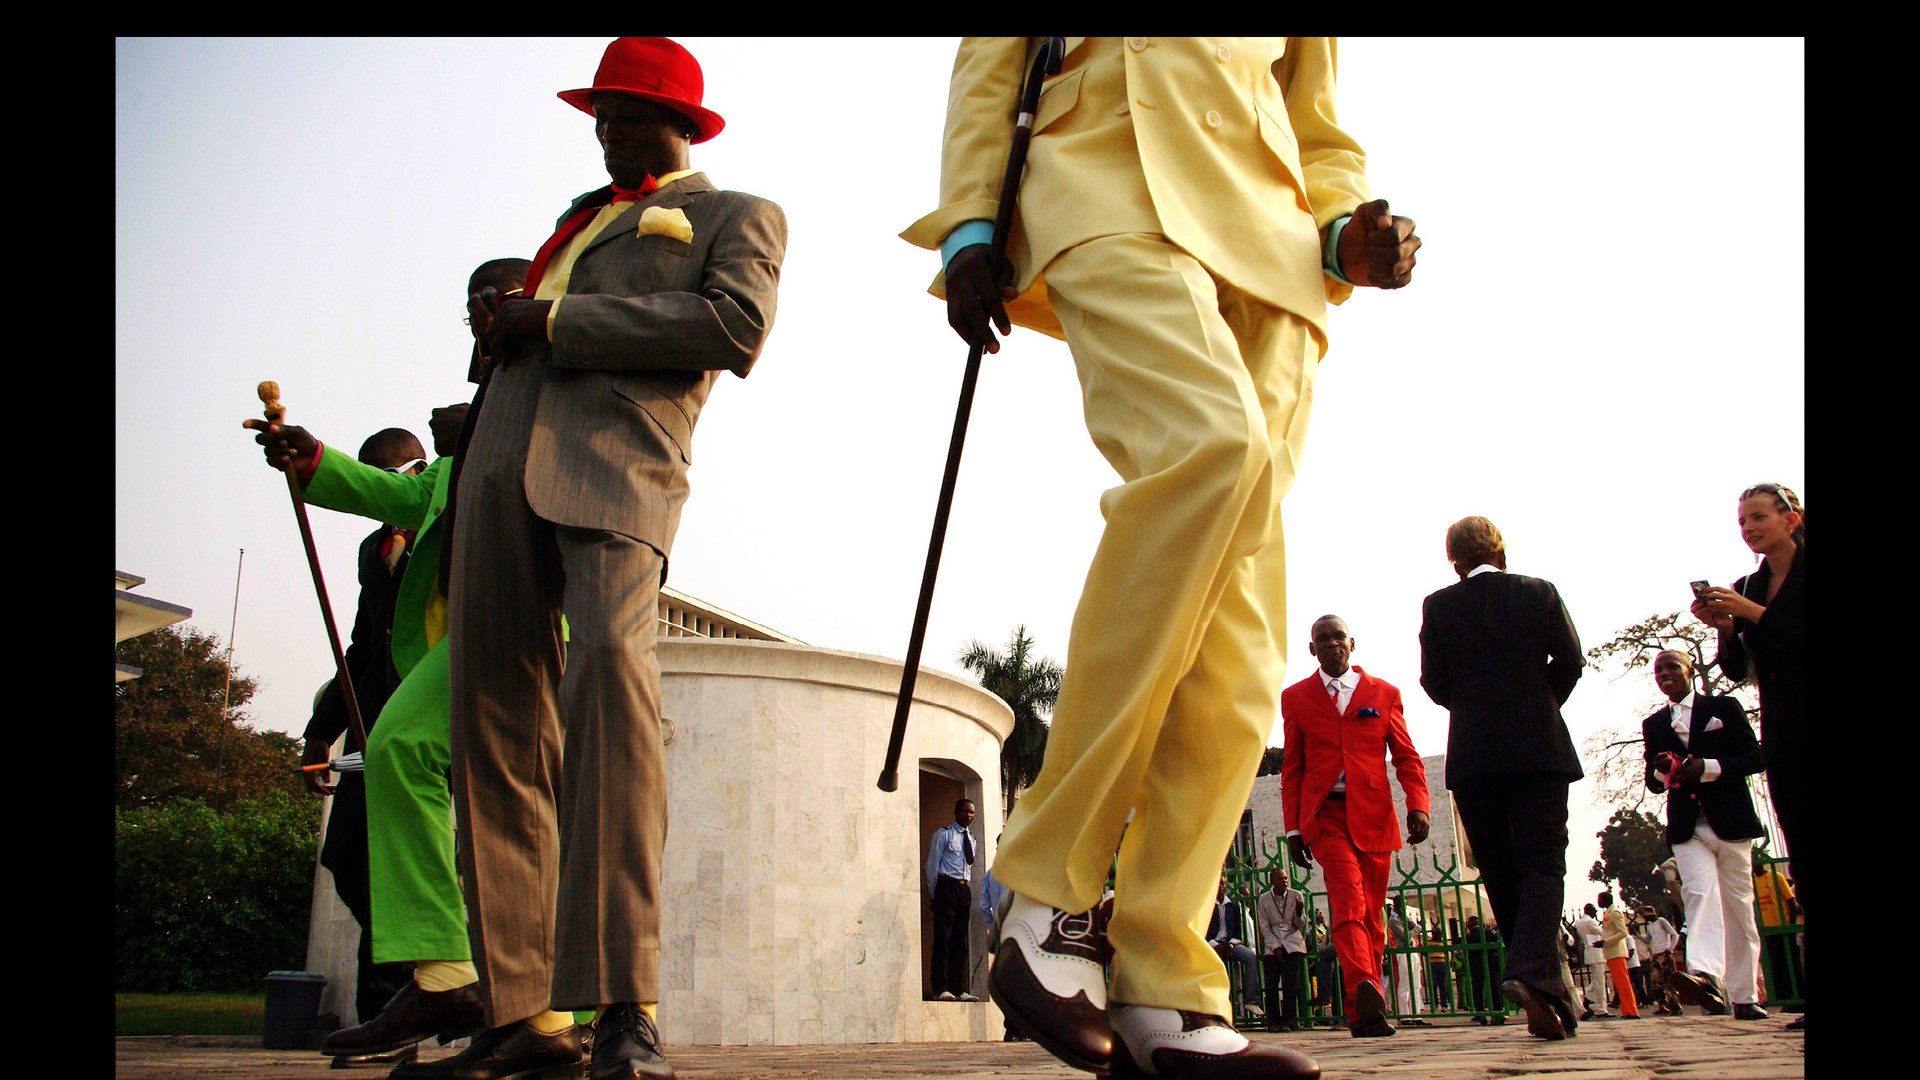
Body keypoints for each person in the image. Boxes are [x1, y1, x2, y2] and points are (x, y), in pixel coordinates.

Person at [905, 36, 1418, 1080]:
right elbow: (989, 63)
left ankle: (1165, 980)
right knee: (1208, 447)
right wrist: (968, 223)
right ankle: (1047, 884)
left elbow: (1318, 120)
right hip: (1104, 171)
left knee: (1240, 637)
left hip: (1275, 248)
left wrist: (1343, 231)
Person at [446, 36, 787, 1080]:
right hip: (498, 462)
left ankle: (621, 1005)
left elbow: (733, 324)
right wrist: (508, 327)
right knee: (492, 722)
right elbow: (532, 337)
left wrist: (553, 319)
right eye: (599, 113)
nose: (607, 131)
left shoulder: (735, 214)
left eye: (629, 113)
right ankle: (519, 1016)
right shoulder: (573, 221)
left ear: (682, 121)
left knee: (609, 683)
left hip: (618, 469)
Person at [244, 263, 532, 1067]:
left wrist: (481, 419)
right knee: (430, 774)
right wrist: (313, 463)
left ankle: (527, 1010)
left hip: (540, 625)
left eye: (492, 299)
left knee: (519, 823)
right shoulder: (450, 465)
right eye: (470, 306)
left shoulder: (546, 379)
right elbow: (401, 496)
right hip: (471, 642)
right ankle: (476, 992)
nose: (477, 319)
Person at [1419, 516, 1585, 1041]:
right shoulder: (1539, 593)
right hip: (1538, 748)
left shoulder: (1439, 606)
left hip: (1474, 753)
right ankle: (1534, 974)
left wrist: (1473, 708)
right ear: (1501, 550)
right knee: (1542, 864)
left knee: (1499, 870)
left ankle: (1542, 990)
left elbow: (1434, 680)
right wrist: (1540, 701)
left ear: (1454, 559)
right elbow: (1572, 659)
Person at [302, 428, 426, 1067]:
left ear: (420, 470)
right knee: (349, 856)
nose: (383, 495)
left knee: (423, 863)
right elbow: (361, 645)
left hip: (438, 719)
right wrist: (323, 730)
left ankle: (410, 1004)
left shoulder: (450, 520)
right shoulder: (372, 548)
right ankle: (403, 1000)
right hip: (376, 722)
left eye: (392, 478)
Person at [1279, 614, 1429, 1038]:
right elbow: (1293, 769)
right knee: (1347, 900)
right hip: (1325, 816)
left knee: (1373, 914)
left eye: (1338, 636)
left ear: (1352, 643)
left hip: (1374, 815)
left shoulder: (1384, 694)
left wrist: (1418, 803)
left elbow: (1406, 757)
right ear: (1312, 649)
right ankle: (1365, 982)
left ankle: (1364, 1011)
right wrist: (1293, 830)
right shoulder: (1296, 698)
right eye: (1322, 639)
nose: (1331, 643)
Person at [1691, 482, 1804, 1032]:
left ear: (1790, 518)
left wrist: (1754, 612)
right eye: (1742, 521)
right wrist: (1728, 628)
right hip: (1784, 728)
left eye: (1759, 517)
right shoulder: (1749, 586)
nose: (1750, 528)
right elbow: (1737, 671)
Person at [1641, 648, 1767, 1020]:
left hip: (1729, 820)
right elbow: (1655, 783)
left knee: (1738, 907)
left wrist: (1708, 767)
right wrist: (1665, 770)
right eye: (1658, 670)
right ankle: (1707, 976)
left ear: (1689, 670)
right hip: (1687, 825)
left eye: (1671, 667)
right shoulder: (1655, 724)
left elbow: (1753, 758)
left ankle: (1744, 994)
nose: (1664, 674)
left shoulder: (1724, 709)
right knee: (1699, 893)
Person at [926, 800, 982, 1001]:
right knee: (943, 938)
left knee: (960, 939)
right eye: (965, 811)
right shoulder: (944, 834)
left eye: (972, 812)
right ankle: (941, 987)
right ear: (956, 812)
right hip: (946, 886)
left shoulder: (972, 839)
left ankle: (959, 988)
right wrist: (934, 894)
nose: (969, 815)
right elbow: (932, 865)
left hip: (963, 888)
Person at [1255, 868, 1308, 1032]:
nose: (1284, 882)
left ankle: (1289, 1020)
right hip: (1274, 942)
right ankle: (1273, 1020)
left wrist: (1299, 911)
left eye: (1285, 879)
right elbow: (1264, 926)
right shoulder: (1264, 899)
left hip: (1292, 941)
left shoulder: (1296, 895)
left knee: (1290, 983)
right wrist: (1275, 946)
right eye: (1280, 879)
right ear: (1272, 881)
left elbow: (1300, 924)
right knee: (1271, 983)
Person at [1205, 877, 1263, 1024]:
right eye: (1217, 883)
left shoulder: (1234, 905)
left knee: (1249, 956)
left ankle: (1251, 1000)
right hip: (1213, 944)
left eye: (1222, 884)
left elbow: (1237, 930)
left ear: (1226, 887)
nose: (1220, 887)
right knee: (1216, 967)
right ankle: (1219, 1006)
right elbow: (1205, 931)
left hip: (1230, 943)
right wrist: (1215, 945)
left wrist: (1231, 944)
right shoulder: (1207, 906)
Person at [1597, 892, 1641, 1019]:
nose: (1598, 902)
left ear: (1605, 900)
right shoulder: (1607, 913)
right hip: (1612, 953)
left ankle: (1632, 1010)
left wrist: (1605, 941)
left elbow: (1622, 932)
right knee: (1619, 984)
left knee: (1623, 983)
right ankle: (1627, 1010)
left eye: (1599, 899)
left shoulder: (1615, 912)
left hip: (1616, 952)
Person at [1461, 916, 1506, 1025]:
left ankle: (1480, 1014)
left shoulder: (1468, 937)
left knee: (1478, 989)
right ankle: (1497, 1012)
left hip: (1476, 966)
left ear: (1469, 925)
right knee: (1494, 987)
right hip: (1491, 963)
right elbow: (1497, 945)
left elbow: (1467, 953)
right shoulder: (1489, 932)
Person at [1643, 906, 1683, 1015]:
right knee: (1656, 983)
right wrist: (1636, 934)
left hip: (1664, 954)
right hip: (1655, 955)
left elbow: (1675, 935)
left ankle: (1675, 1007)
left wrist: (1669, 949)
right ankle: (1662, 1006)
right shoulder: (1650, 925)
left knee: (1668, 981)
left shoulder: (1661, 921)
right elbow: (1647, 940)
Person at [1573, 904, 1610, 1019]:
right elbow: (1603, 932)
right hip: (1597, 953)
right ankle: (1601, 1008)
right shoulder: (1590, 922)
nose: (1595, 913)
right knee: (1600, 982)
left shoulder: (1578, 922)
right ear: (1589, 911)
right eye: (1594, 911)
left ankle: (1587, 996)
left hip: (1589, 952)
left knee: (1596, 980)